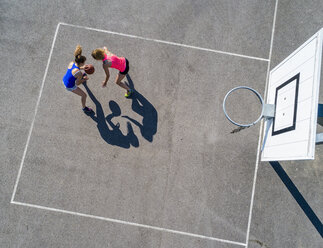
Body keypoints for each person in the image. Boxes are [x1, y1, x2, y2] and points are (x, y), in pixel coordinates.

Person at [62, 45, 93, 113]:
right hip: (69, 86)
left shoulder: (72, 63)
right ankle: (84, 108)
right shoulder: (78, 73)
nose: (84, 63)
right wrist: (84, 79)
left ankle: (82, 77)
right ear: (81, 63)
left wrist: (83, 68)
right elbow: (77, 83)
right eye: (84, 63)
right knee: (84, 95)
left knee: (81, 74)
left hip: (64, 79)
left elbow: (76, 68)